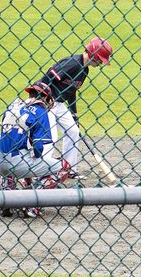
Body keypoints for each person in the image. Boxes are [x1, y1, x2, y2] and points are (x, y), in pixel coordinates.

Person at [37, 37, 113, 181]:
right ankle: (41, 170)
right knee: (51, 137)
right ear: (94, 55)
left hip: (58, 104)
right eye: (100, 60)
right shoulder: (72, 63)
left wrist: (74, 113)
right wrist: (43, 97)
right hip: (45, 102)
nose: (100, 64)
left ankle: (69, 169)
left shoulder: (84, 71)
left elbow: (71, 91)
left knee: (73, 130)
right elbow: (47, 77)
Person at [0, 81, 63, 219]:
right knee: (63, 168)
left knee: (18, 158)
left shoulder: (13, 106)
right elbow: (38, 147)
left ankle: (7, 197)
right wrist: (36, 158)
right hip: (18, 162)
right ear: (46, 98)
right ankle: (31, 203)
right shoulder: (40, 111)